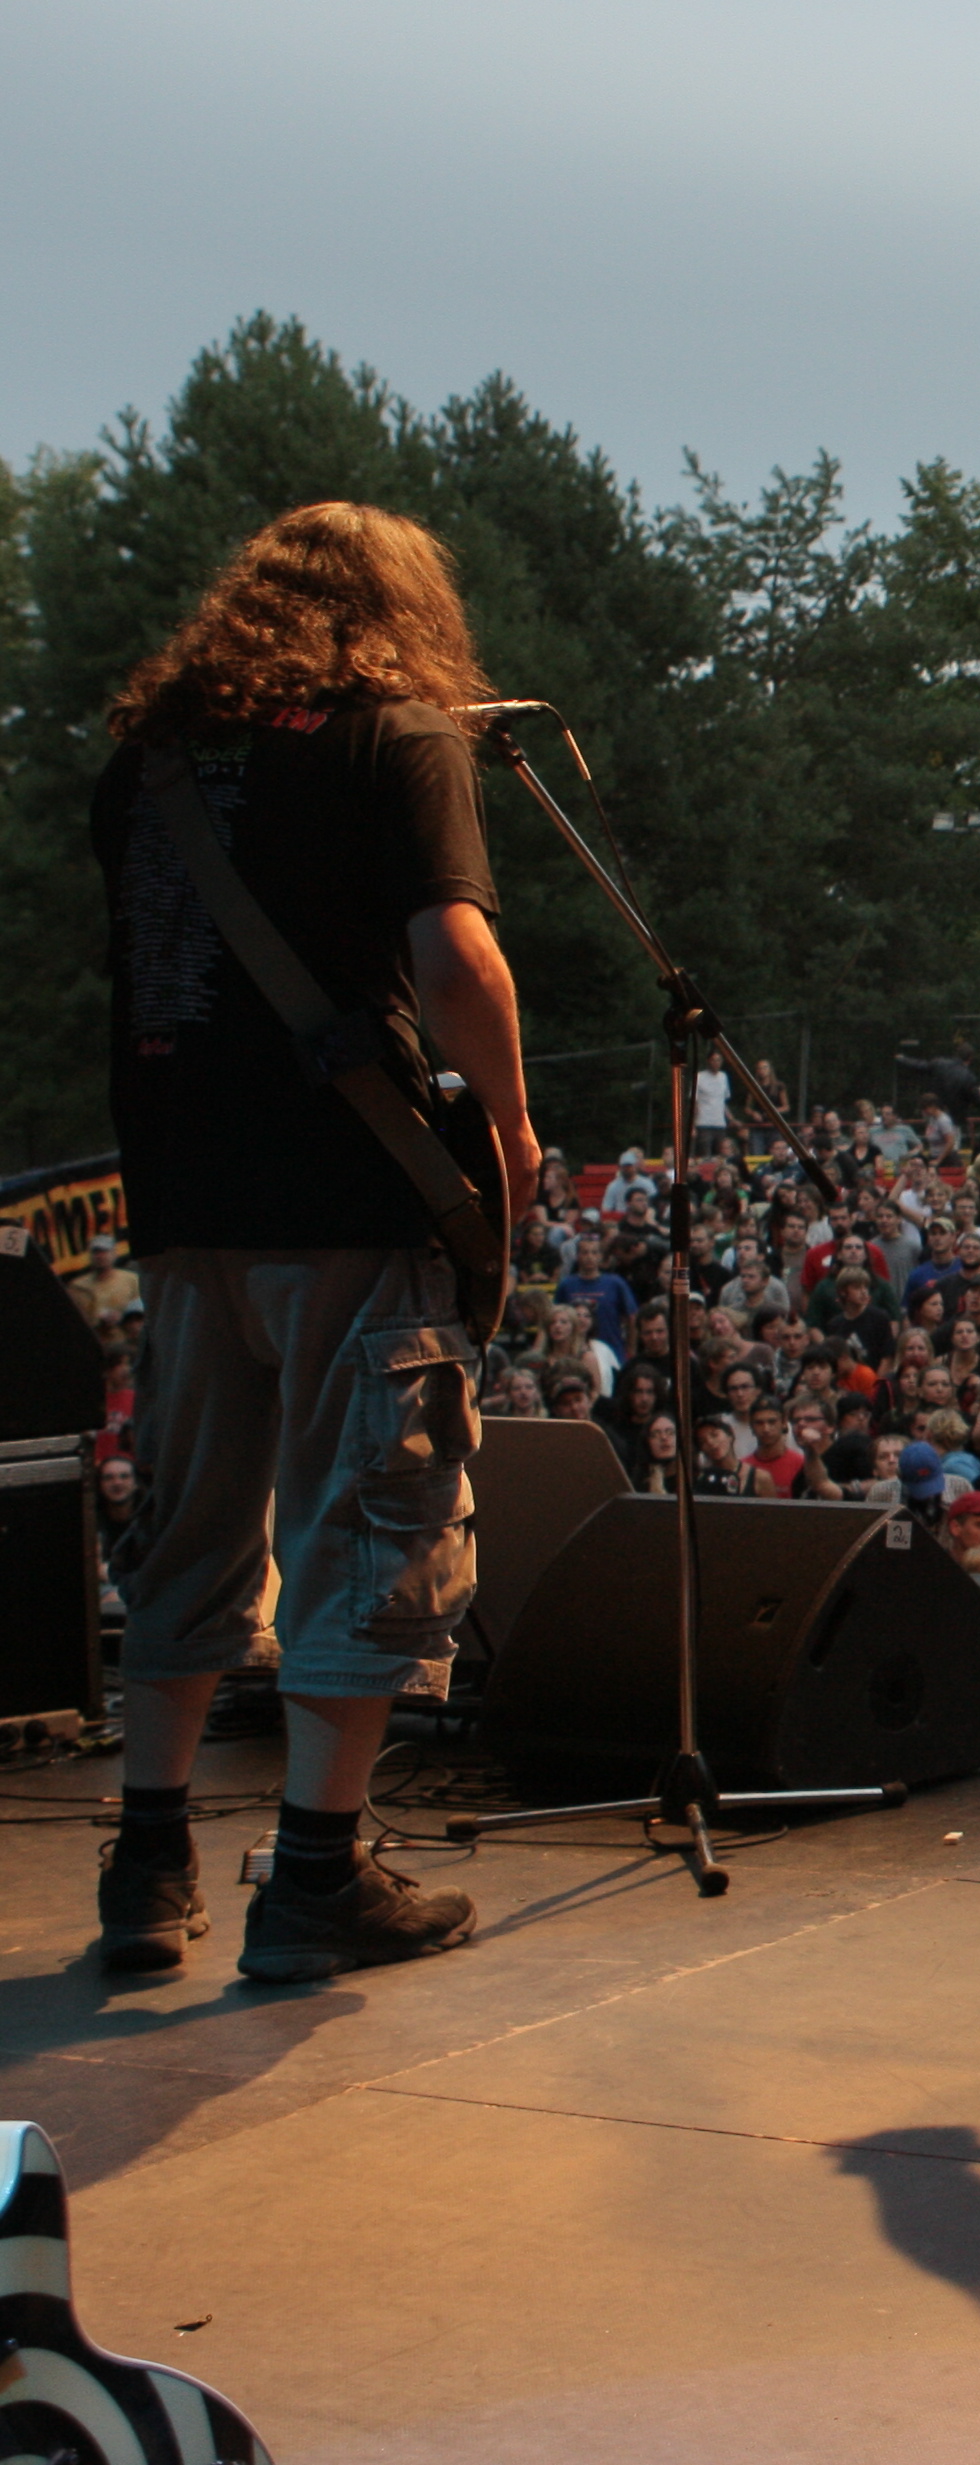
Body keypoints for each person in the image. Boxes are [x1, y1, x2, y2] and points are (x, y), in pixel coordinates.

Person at [88, 503, 537, 1980]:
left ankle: (148, 1865)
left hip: (180, 1200)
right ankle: (317, 1879)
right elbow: (455, 956)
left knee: (191, 1526)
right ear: (401, 604)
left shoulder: (149, 760)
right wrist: (514, 1127)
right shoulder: (395, 734)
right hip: (346, 1189)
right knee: (367, 1526)